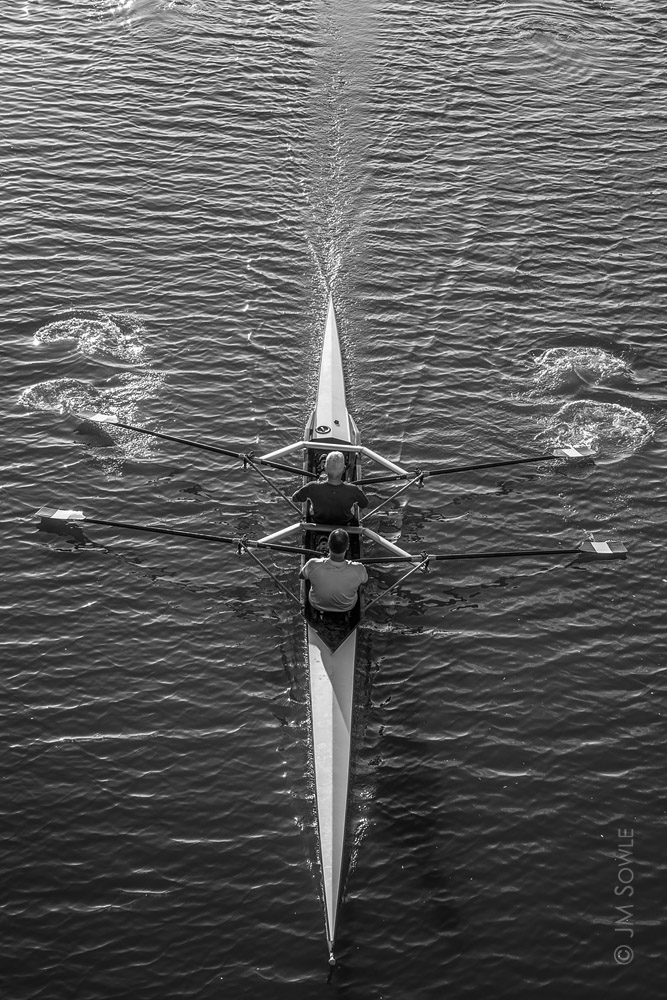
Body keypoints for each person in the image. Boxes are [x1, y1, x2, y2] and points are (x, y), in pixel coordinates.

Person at [291, 451, 368, 525]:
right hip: (344, 523)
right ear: (344, 469)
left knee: (309, 502)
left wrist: (318, 483)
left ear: (325, 468)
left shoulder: (312, 487)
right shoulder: (353, 490)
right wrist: (347, 486)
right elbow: (364, 504)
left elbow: (294, 498)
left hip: (318, 522)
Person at [301, 529, 368, 613]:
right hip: (347, 607)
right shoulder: (359, 568)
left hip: (317, 605)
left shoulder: (312, 564)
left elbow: (301, 576)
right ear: (347, 547)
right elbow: (365, 582)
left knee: (311, 576)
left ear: (328, 545)